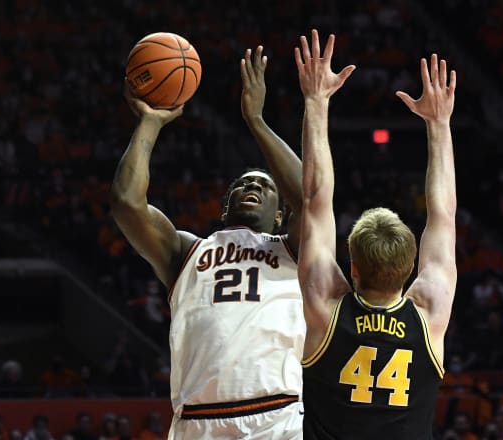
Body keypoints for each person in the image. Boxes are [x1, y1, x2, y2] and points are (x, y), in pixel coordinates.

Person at [110, 45, 304, 439]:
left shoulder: (294, 248)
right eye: (242, 184)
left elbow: (310, 197)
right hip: (197, 421)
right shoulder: (186, 250)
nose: (252, 185)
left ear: (280, 215)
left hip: (276, 416)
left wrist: (256, 121)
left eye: (264, 186)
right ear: (223, 207)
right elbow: (126, 203)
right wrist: (150, 122)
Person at [295, 30, 457, 439]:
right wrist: (439, 124)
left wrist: (316, 102)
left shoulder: (326, 308)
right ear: (410, 270)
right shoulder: (428, 315)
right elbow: (443, 214)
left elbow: (316, 200)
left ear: (350, 265)